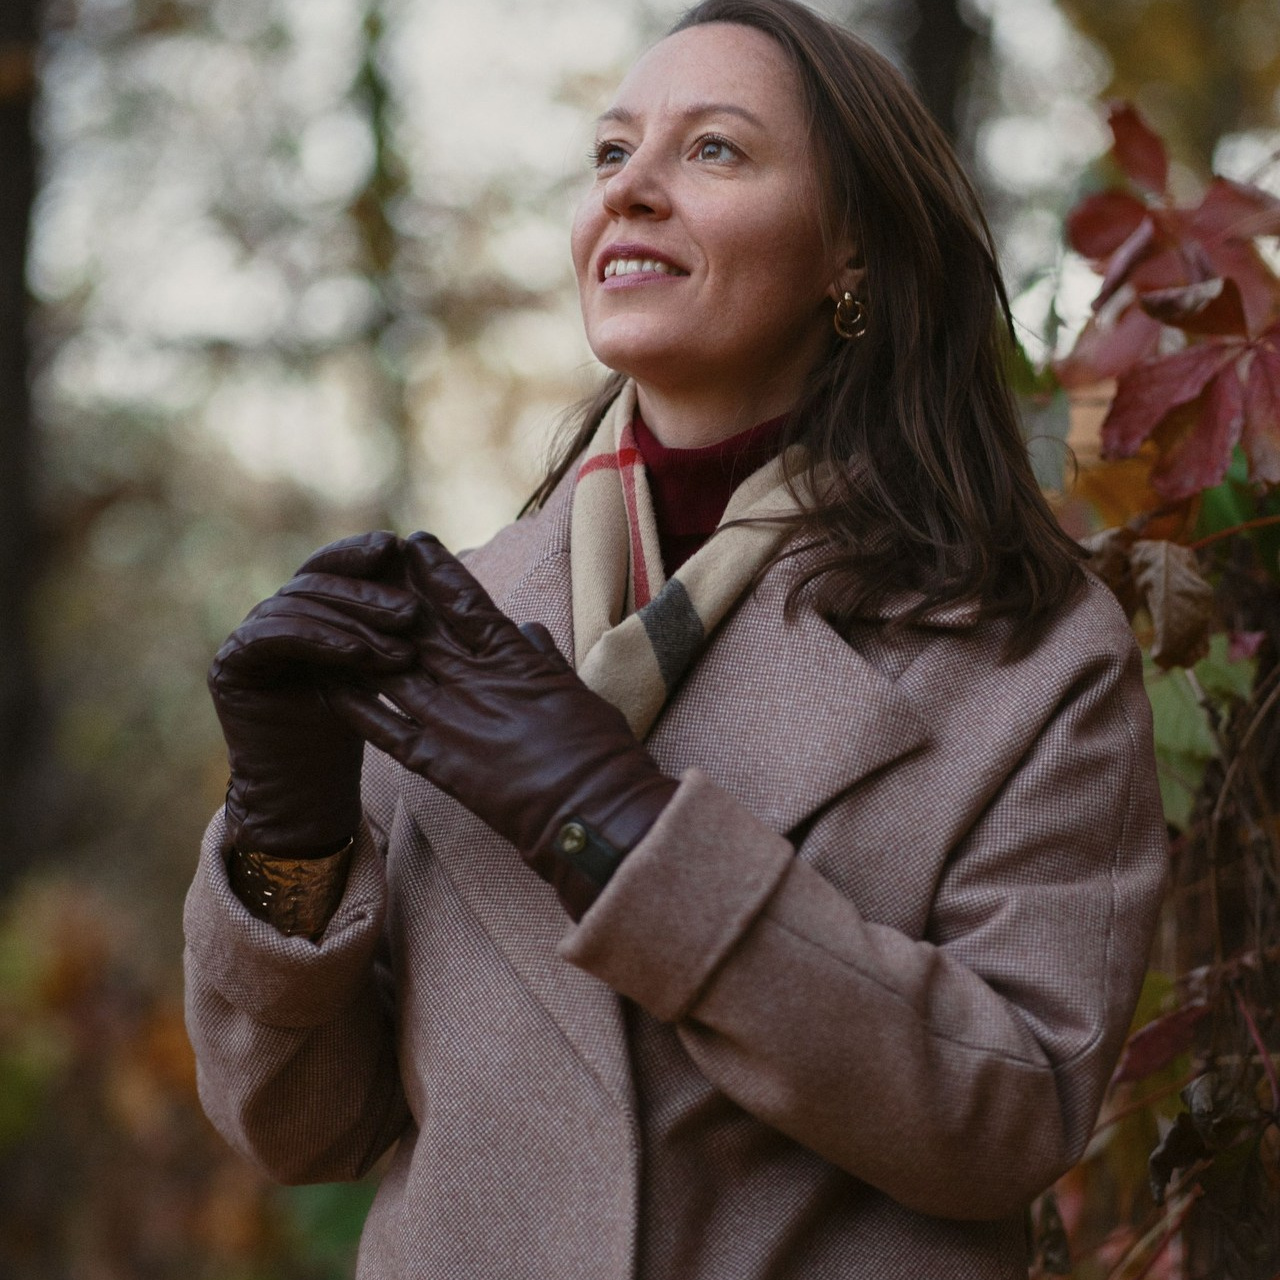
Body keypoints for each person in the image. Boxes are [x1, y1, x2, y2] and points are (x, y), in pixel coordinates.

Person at [183, 1, 1169, 1276]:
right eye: (608, 154)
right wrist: (289, 837)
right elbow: (303, 1125)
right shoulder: (459, 623)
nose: (631, 190)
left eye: (712, 150)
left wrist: (617, 824)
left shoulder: (1022, 649)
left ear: (850, 251)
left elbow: (1013, 1111)